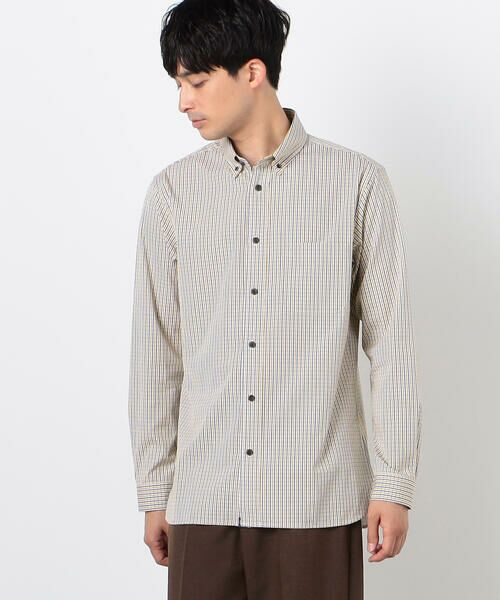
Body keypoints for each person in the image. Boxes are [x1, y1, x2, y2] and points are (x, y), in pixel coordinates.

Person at [127, 1, 422, 598]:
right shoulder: (172, 194)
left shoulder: (357, 184)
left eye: (196, 81)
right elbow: (157, 352)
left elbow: (391, 343)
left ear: (253, 72)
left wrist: (393, 482)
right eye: (180, 84)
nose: (183, 101)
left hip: (314, 501)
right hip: (205, 502)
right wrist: (156, 490)